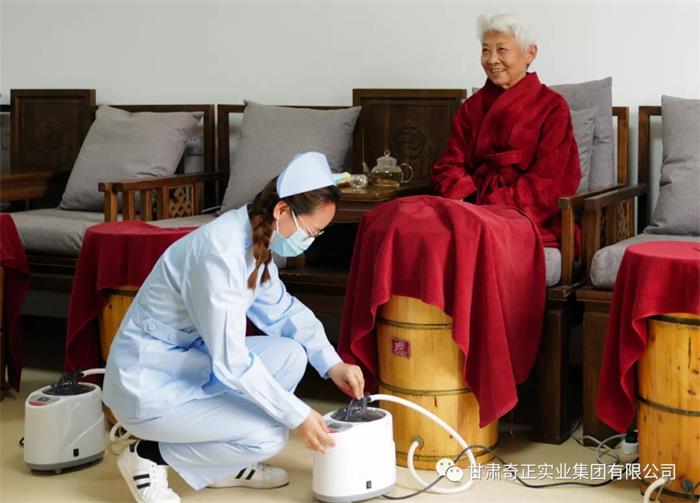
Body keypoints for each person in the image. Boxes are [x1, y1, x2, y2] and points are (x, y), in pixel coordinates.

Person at [103, 152, 365, 503]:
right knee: (269, 436)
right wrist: (298, 415)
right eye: (311, 232)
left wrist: (333, 363)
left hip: (189, 362)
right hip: (149, 383)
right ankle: (148, 456)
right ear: (282, 210)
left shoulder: (254, 237)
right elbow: (232, 361)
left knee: (291, 355)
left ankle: (223, 463)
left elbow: (282, 311)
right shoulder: (219, 253)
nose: (311, 240)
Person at [431, 11, 581, 247]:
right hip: (469, 205)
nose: (492, 60)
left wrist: (491, 207)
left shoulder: (553, 107)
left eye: (501, 50)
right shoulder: (471, 107)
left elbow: (549, 182)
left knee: (471, 239)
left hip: (525, 215)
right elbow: (450, 165)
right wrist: (466, 198)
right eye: (485, 50)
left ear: (530, 53)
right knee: (405, 223)